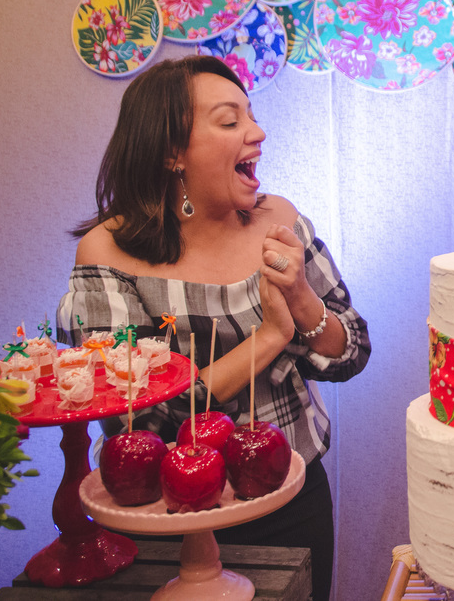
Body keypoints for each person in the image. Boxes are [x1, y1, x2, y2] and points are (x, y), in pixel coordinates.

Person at [58, 55, 369, 601]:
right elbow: (143, 415)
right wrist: (268, 338)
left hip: (289, 496)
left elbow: (352, 351)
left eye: (251, 115)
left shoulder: (280, 221)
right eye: (230, 121)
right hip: (162, 513)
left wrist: (300, 296)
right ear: (171, 152)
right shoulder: (107, 252)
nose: (257, 133)